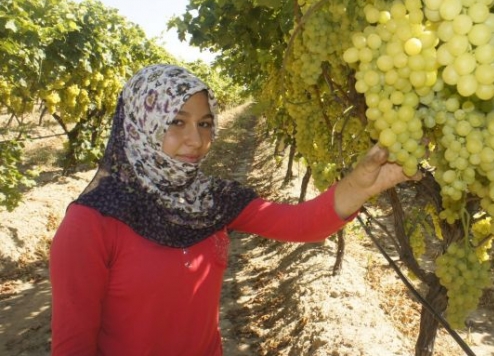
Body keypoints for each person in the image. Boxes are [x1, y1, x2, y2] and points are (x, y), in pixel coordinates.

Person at [49, 64, 419, 355]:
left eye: (205, 124)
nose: (196, 140)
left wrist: (358, 187)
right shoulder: (92, 223)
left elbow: (298, 224)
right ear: (140, 124)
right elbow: (73, 347)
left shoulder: (210, 199)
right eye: (177, 122)